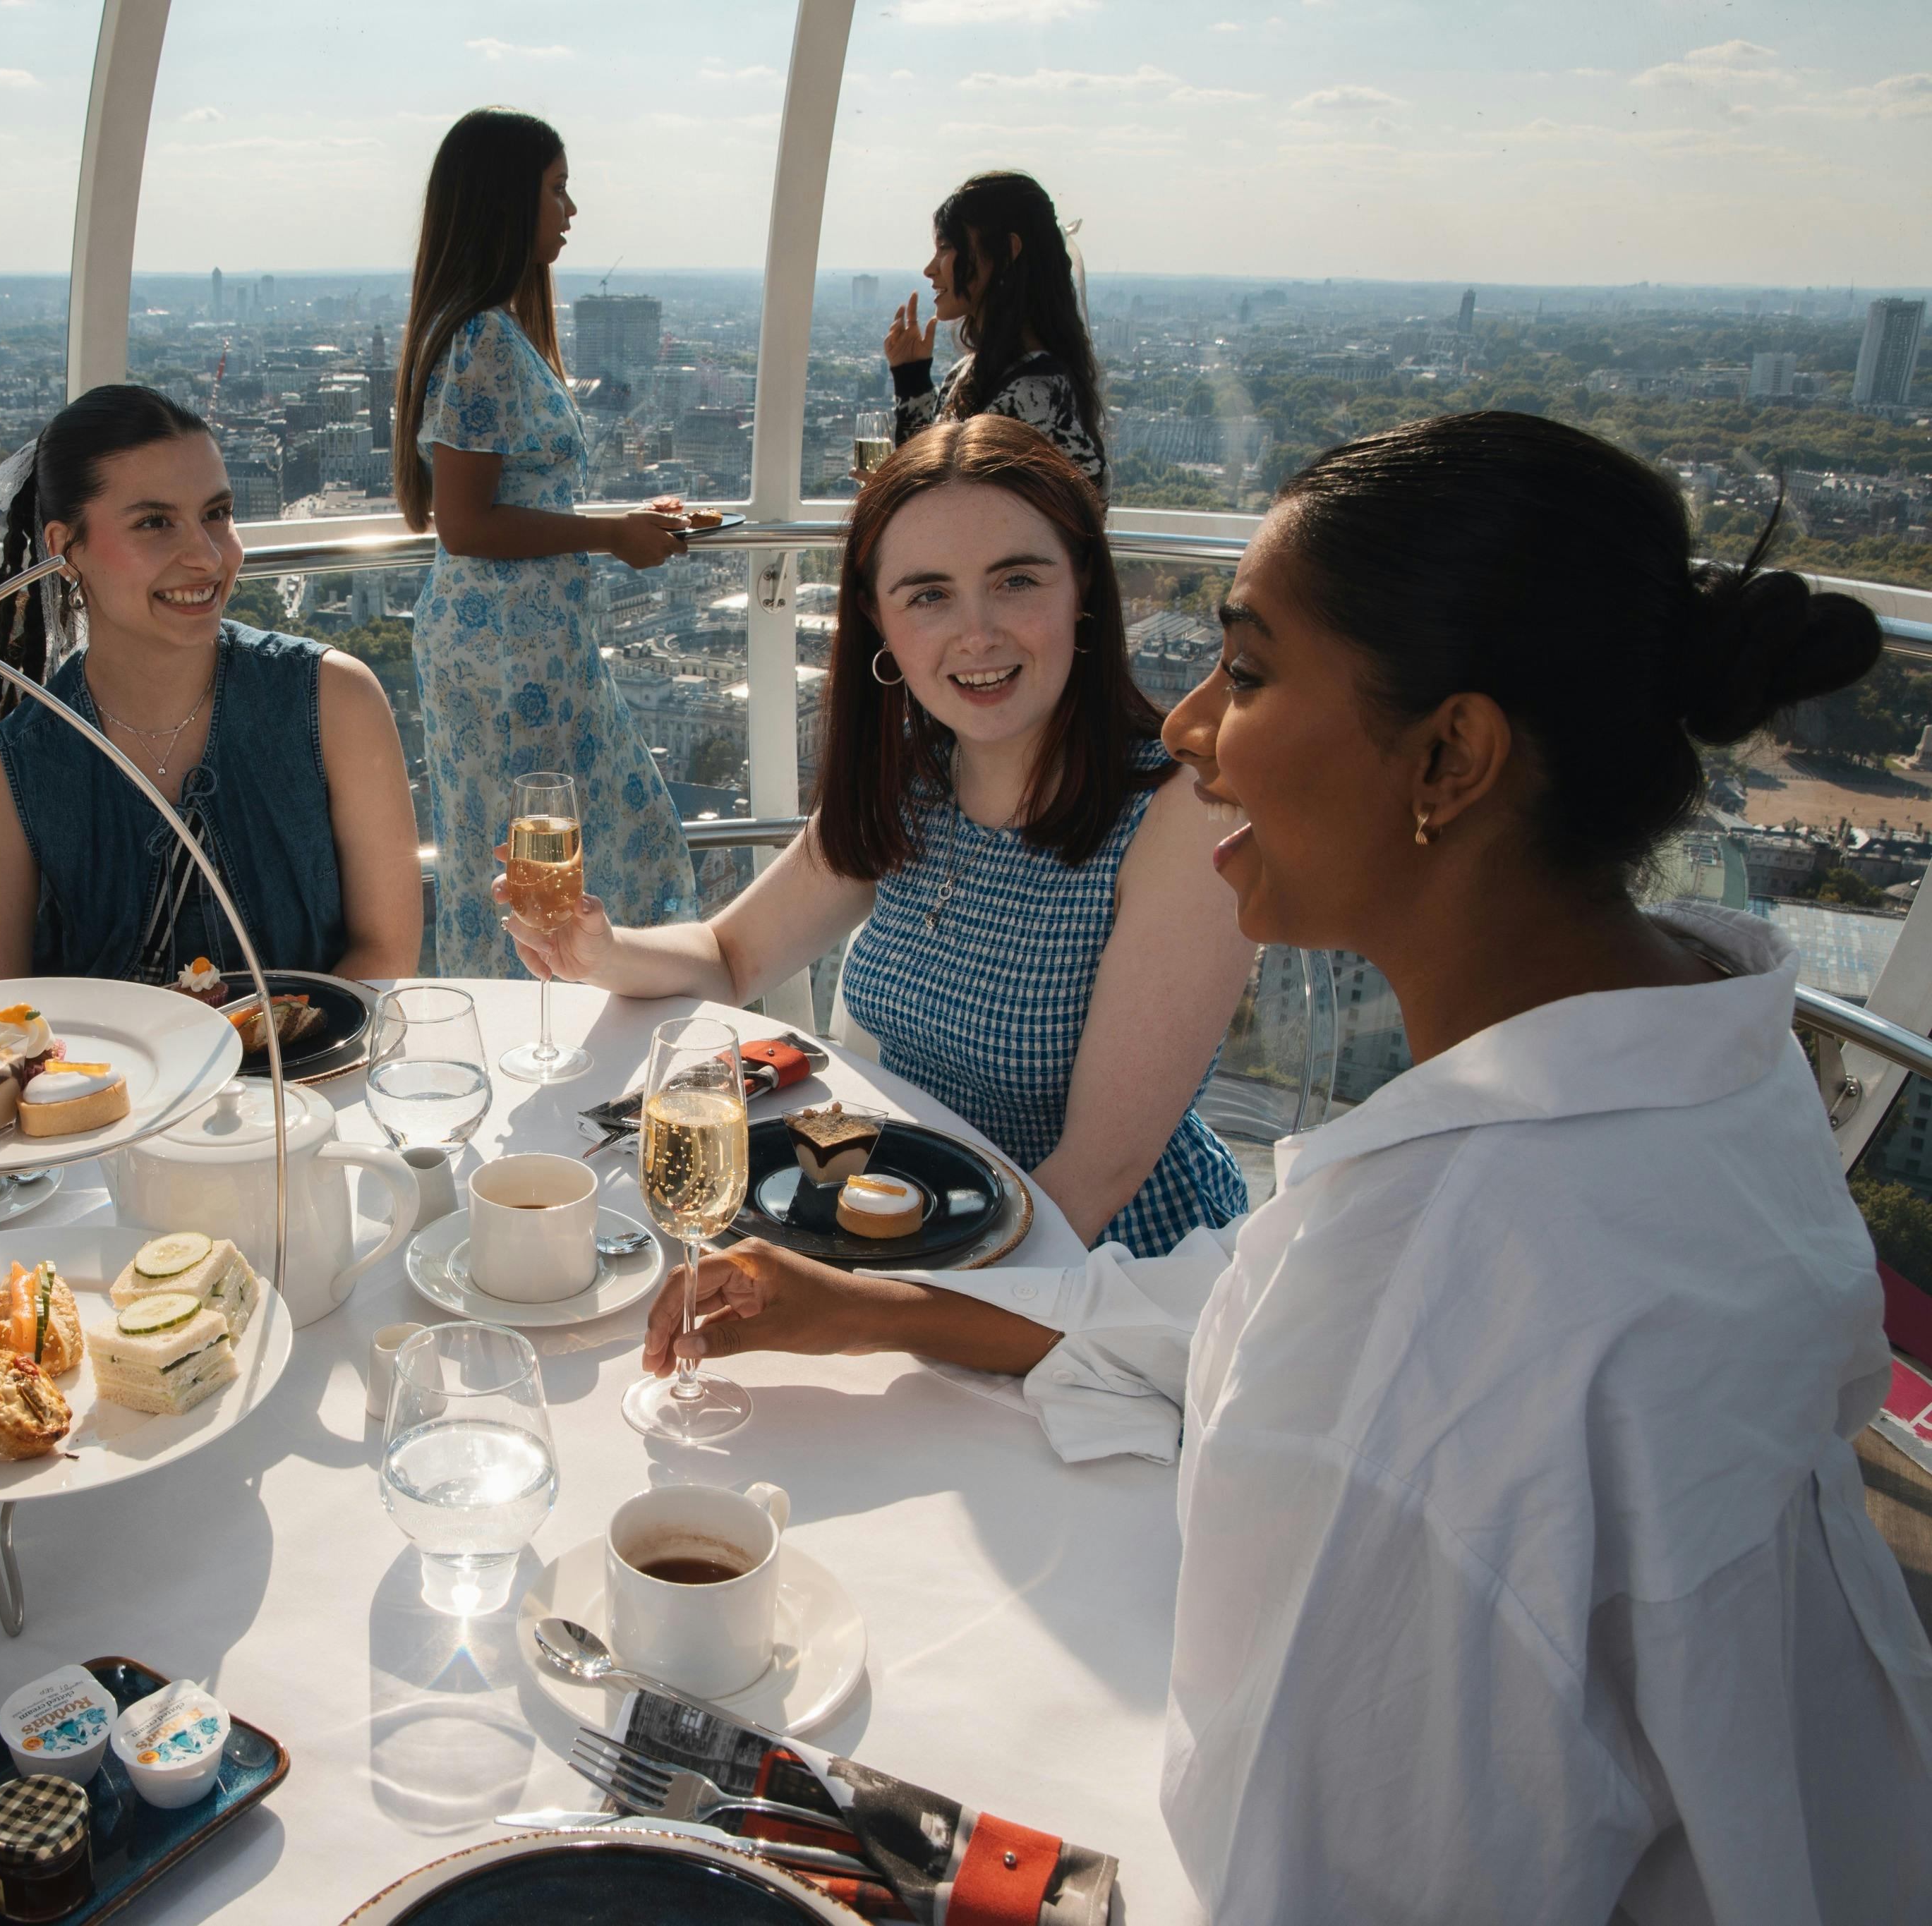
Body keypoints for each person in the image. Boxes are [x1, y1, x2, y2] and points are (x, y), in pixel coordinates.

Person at [641, 412, 1932, 1920]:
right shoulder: (1695, 1064)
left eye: (1245, 674)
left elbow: (1315, 1874)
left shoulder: (1432, 1304)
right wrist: (873, 1311)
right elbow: (1219, 1323)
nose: (1185, 732)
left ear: (1447, 755)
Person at [508, 416, 1248, 1257]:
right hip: (918, 1227)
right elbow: (730, 956)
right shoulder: (913, 779)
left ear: (1083, 589)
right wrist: (594, 950)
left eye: (1016, 581)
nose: (977, 633)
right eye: (928, 595)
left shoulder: (1179, 810)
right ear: (879, 621)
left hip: (1110, 1278)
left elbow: (1097, 1177)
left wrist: (867, 1311)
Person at [0, 384, 421, 986]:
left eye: (217, 515)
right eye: (154, 523)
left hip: (319, 1077)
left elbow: (386, 953)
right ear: (65, 549)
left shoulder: (337, 701)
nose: (205, 556)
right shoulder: (7, 774)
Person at [397, 107, 698, 977]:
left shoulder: (485, 327)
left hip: (519, 650)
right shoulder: (486, 335)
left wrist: (621, 518)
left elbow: (511, 493)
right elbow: (465, 523)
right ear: (504, 201)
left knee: (525, 860)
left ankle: (539, 1031)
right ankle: (555, 1033)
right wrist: (610, 533)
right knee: (560, 857)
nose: (571, 210)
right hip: (507, 661)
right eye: (556, 189)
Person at [881, 170, 1106, 490]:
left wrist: (891, 493)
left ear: (1007, 251)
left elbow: (943, 506)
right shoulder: (976, 370)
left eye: (945, 247)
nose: (930, 269)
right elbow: (936, 485)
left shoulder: (1036, 398)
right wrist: (911, 378)